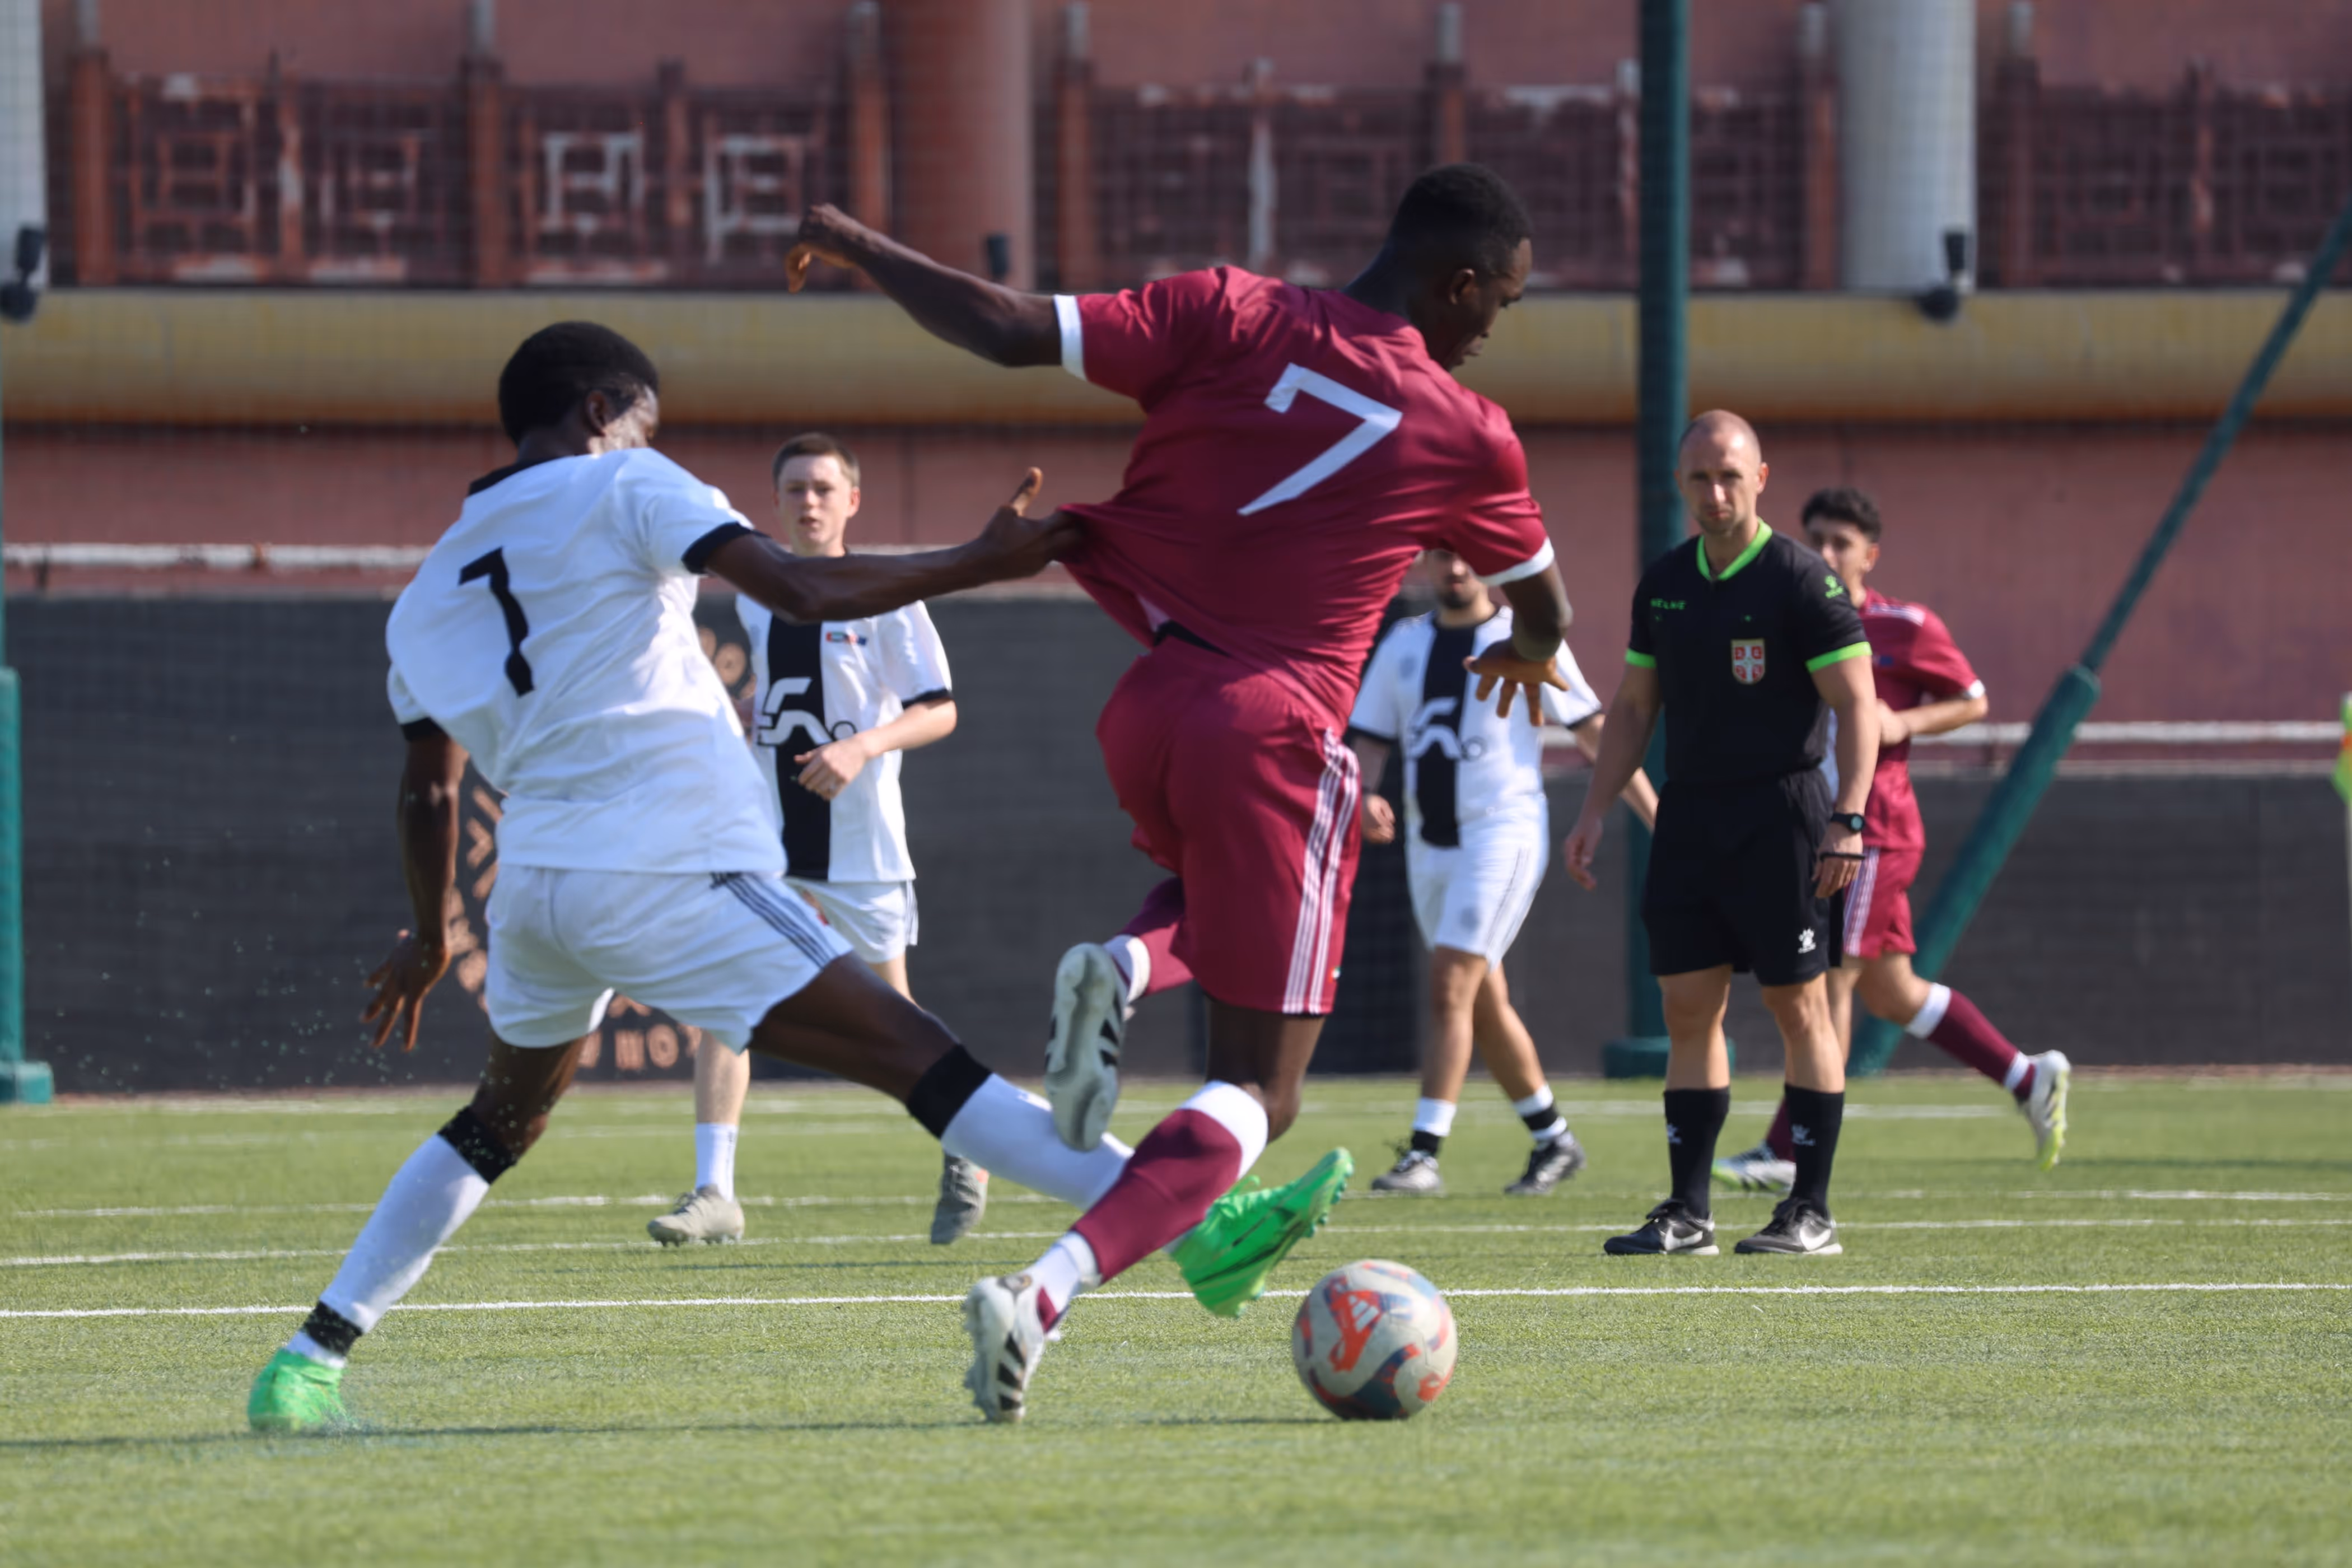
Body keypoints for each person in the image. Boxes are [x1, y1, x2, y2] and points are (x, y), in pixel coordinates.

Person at [243, 323, 1267, 1432]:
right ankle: (1197, 1227)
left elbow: (432, 791)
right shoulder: (630, 479)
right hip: (666, 865)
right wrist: (985, 560)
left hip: (535, 889)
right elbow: (798, 590)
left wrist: (430, 933)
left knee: (497, 1121)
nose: (652, 437)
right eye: (645, 417)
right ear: (601, 410)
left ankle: (308, 1359)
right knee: (916, 1055)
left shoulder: (427, 588)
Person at [786, 162, 1576, 1421]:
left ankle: (1131, 963)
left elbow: (1002, 328)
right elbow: (1544, 597)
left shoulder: (1229, 309)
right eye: (1503, 306)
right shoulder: (1466, 428)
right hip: (1278, 731)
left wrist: (851, 240)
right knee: (1262, 1090)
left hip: (1150, 701)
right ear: (1462, 284)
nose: (1495, 332)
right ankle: (1040, 1293)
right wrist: (1533, 651)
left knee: (1201, 903)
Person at [647, 431, 990, 1250]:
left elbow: (940, 707)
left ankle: (970, 1144)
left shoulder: (889, 595)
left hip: (862, 849)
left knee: (896, 1023)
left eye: (824, 489)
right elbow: (780, 697)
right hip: (770, 843)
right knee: (726, 1002)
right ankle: (714, 1194)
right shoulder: (757, 595)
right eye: (795, 488)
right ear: (775, 503)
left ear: (852, 502)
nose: (809, 502)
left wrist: (862, 745)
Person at [1561, 410, 1878, 1259]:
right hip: (1692, 817)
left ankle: (1810, 1210)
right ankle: (1688, 1212)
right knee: (1688, 1008)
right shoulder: (1664, 584)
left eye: (1731, 476)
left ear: (1761, 478)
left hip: (1784, 815)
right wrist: (1593, 811)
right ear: (1681, 483)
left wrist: (1849, 819)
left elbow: (1858, 708)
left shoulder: (1803, 582)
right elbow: (1632, 708)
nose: (1716, 493)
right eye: (1700, 478)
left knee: (1797, 1003)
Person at [1712, 486, 2070, 1193]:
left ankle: (1790, 1145)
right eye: (1814, 536)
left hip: (1872, 830)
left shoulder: (1903, 625)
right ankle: (2029, 1077)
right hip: (1814, 824)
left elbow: (1972, 696)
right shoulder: (1789, 620)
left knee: (1829, 977)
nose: (1824, 551)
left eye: (1841, 541)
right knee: (1892, 991)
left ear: (1870, 555)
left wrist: (1905, 724)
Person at [1347, 549, 1658, 1197]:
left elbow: (1596, 731)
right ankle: (1553, 1138)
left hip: (1502, 832)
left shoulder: (1528, 636)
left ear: (1488, 564)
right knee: (1480, 1001)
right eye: (1440, 555)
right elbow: (1369, 740)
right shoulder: (1404, 643)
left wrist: (1659, 818)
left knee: (1448, 982)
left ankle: (1425, 1153)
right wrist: (1363, 793)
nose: (1455, 568)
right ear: (1424, 563)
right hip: (1428, 844)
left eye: (1466, 555)